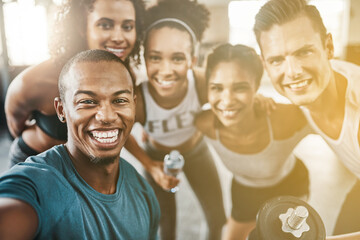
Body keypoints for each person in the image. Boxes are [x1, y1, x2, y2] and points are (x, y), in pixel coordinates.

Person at [0, 49, 160, 239]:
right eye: (88, 101)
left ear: (133, 105)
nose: (107, 116)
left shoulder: (143, 192)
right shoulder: (38, 184)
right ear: (61, 110)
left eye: (119, 100)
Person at [254, 0, 360, 239]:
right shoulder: (309, 91)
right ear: (265, 65)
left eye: (304, 52)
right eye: (277, 60)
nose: (292, 71)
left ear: (328, 46)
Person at [124, 0, 227, 239]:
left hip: (197, 151)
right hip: (155, 157)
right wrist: (150, 166)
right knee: (164, 225)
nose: (166, 70)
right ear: (144, 58)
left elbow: (232, 93)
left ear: (193, 60)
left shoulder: (201, 83)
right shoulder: (139, 99)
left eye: (178, 58)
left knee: (217, 217)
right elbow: (123, 133)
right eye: (155, 58)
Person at [4, 0, 145, 167]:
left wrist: (150, 165)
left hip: (83, 168)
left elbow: (113, 125)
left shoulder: (126, 76)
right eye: (105, 25)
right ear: (81, 27)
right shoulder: (33, 82)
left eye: (127, 27)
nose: (118, 37)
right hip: (35, 161)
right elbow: (15, 128)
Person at [195, 43, 311, 240]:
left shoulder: (284, 120)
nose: (227, 100)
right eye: (217, 88)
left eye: (240, 88)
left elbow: (330, 121)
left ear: (256, 88)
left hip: (289, 186)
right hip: (244, 191)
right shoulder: (204, 123)